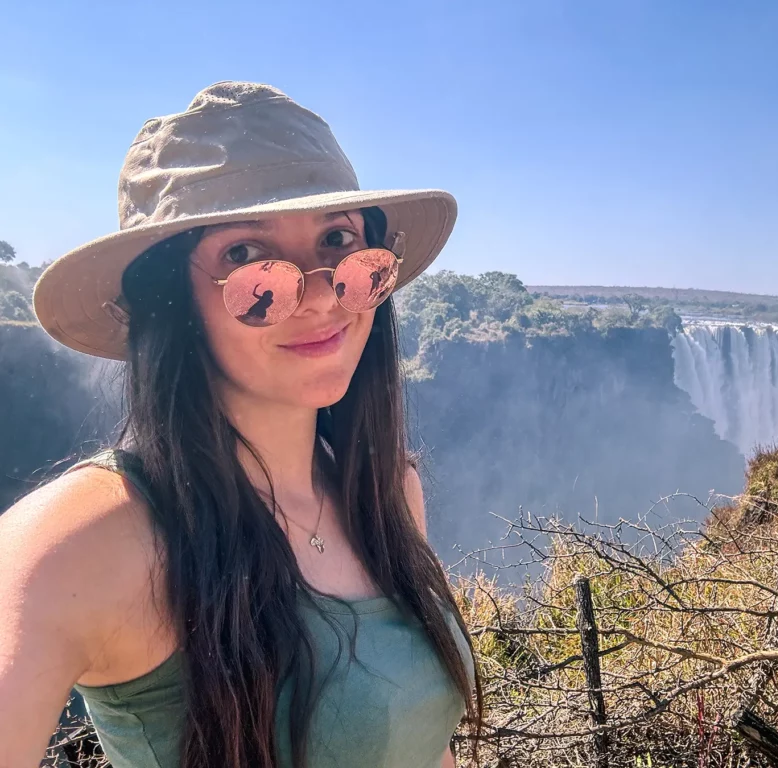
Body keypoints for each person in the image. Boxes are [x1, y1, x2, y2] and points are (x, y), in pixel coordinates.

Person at [0, 82, 479, 768]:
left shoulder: (386, 493)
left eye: (339, 240)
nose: (318, 296)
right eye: (247, 258)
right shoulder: (84, 540)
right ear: (172, 300)